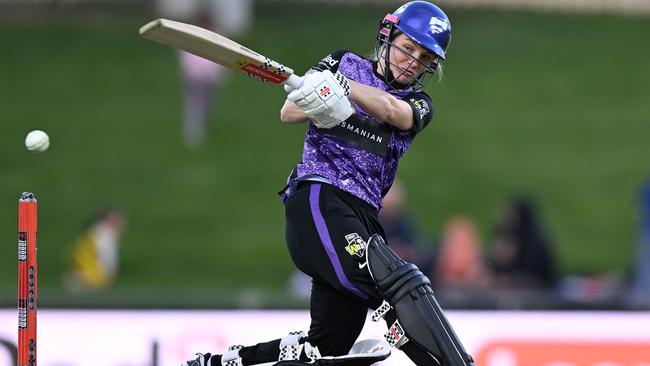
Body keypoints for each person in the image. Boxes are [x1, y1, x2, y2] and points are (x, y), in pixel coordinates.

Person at [184, 2, 473, 366]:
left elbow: (391, 112)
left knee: (328, 344)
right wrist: (322, 100)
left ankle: (223, 362)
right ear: (387, 37)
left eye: (424, 58)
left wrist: (342, 91)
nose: (412, 61)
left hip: (363, 216)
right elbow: (289, 112)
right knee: (396, 282)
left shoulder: (417, 101)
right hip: (321, 198)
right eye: (407, 47)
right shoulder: (343, 62)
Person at [155, 0, 254, 148]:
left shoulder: (216, 36)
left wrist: (221, 75)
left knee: (208, 104)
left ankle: (200, 127)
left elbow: (222, 57)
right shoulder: (192, 37)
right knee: (195, 104)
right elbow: (187, 59)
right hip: (195, 79)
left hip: (209, 80)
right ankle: (193, 131)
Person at [488, 196, 557, 289]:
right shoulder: (507, 233)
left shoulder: (534, 241)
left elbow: (537, 273)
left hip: (537, 285)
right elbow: (494, 261)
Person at [63, 206, 126, 292]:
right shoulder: (106, 234)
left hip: (78, 280)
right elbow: (109, 266)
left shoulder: (94, 232)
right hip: (88, 282)